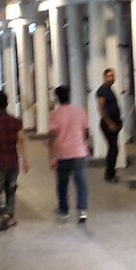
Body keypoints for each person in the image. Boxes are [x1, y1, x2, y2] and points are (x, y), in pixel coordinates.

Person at [48, 85, 94, 223]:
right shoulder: (79, 112)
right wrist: (81, 142)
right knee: (81, 182)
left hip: (62, 154)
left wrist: (51, 155)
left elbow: (52, 136)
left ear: (57, 99)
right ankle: (82, 211)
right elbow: (86, 132)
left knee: (62, 183)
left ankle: (64, 210)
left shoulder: (55, 115)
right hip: (79, 152)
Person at [0, 91, 29, 230]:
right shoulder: (15, 121)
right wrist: (25, 160)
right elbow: (21, 141)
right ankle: (10, 216)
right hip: (12, 160)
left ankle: (2, 214)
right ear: (7, 103)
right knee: (11, 189)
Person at [95, 68, 124, 183]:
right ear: (104, 77)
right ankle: (109, 174)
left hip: (114, 123)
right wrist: (110, 123)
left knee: (114, 148)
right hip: (107, 124)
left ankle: (111, 173)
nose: (111, 78)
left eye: (113, 76)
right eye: (109, 76)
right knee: (113, 148)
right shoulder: (102, 90)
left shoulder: (110, 90)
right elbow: (101, 108)